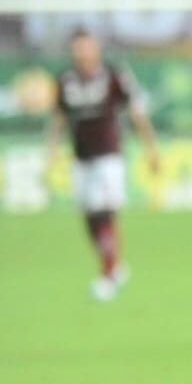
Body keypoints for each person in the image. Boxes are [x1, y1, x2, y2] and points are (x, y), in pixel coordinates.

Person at [46, 28, 160, 302]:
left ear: (96, 48)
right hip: (81, 157)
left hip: (109, 156)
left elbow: (136, 110)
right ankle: (116, 266)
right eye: (78, 48)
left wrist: (151, 148)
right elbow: (60, 118)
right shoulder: (66, 80)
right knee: (89, 216)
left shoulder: (113, 75)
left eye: (87, 47)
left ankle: (108, 276)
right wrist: (51, 152)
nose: (83, 53)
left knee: (105, 213)